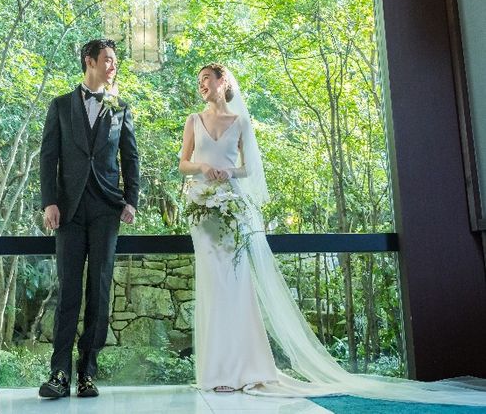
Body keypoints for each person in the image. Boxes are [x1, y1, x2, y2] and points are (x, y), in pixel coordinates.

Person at [179, 63, 486, 408]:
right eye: (199, 81)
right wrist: (203, 167)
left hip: (232, 208)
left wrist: (227, 173)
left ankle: (243, 370)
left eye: (207, 79)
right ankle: (215, 373)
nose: (202, 85)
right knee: (212, 285)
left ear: (222, 81)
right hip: (202, 211)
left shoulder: (241, 122)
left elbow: (249, 168)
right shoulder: (193, 120)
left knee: (236, 286)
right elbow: (183, 163)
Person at [39, 38, 140, 399]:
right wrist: (49, 202)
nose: (113, 66)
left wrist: (131, 200)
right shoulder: (60, 105)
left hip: (106, 210)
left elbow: (131, 157)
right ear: (90, 61)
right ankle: (59, 373)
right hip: (68, 210)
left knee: (99, 289)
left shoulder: (121, 108)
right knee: (68, 290)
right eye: (108, 60)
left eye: (115, 60)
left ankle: (87, 373)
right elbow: (48, 157)